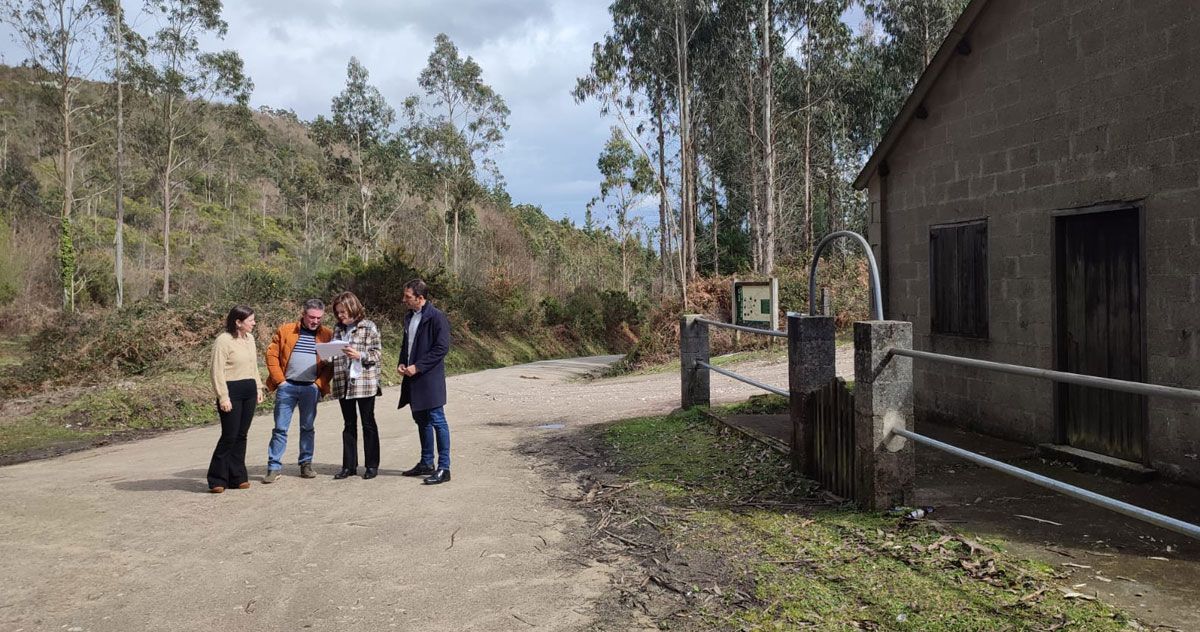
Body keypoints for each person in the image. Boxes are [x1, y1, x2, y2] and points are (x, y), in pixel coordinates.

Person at [263, 298, 333, 483]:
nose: (315, 321)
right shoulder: (286, 330)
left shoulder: (327, 335)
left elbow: (330, 365)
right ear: (303, 315)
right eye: (312, 317)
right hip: (288, 387)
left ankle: (306, 464)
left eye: (319, 318)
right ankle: (274, 467)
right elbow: (271, 355)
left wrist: (318, 384)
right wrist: (280, 381)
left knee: (307, 427)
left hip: (310, 388)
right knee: (280, 428)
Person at [397, 279, 452, 485]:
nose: (404, 300)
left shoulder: (437, 317)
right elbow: (407, 345)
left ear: (420, 298)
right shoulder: (409, 317)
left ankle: (444, 467)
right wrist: (402, 362)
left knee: (438, 420)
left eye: (408, 297)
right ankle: (426, 462)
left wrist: (418, 366)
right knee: (421, 420)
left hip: (430, 379)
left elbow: (441, 348)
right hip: (412, 378)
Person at [207, 306, 265, 493]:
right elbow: (216, 370)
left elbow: (253, 366)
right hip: (231, 389)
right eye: (251, 320)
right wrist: (223, 396)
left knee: (242, 435)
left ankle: (237, 476)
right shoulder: (223, 341)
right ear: (238, 322)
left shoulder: (250, 339)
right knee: (229, 435)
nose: (254, 323)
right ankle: (217, 478)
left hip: (248, 388)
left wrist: (258, 387)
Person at [329, 291, 383, 480]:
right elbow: (334, 352)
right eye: (337, 313)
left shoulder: (368, 327)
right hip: (343, 382)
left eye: (343, 312)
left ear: (352, 308)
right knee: (348, 424)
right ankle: (349, 466)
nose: (340, 316)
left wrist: (360, 355)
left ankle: (372, 465)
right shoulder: (337, 329)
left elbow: (377, 354)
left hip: (364, 382)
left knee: (368, 423)